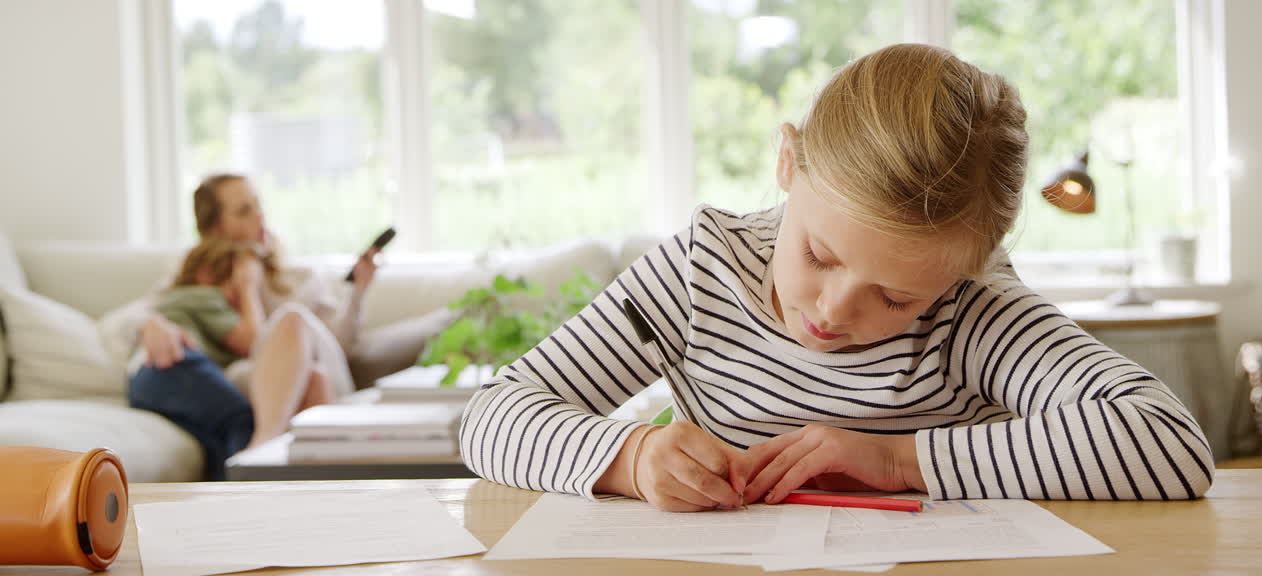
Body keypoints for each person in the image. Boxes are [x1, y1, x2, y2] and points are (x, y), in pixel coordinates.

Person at [459, 43, 1213, 511]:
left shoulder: (971, 310)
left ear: (967, 268)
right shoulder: (700, 273)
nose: (831, 309)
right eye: (819, 254)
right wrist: (630, 458)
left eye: (896, 296)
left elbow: (1168, 443)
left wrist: (897, 460)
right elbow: (492, 418)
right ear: (788, 163)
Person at [130, 173, 380, 478]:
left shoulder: (299, 278)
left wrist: (356, 295)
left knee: (294, 324)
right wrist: (153, 325)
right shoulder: (202, 275)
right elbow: (140, 314)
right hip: (279, 390)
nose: (259, 216)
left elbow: (340, 345)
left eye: (257, 205)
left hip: (324, 373)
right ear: (214, 227)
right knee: (304, 378)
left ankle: (262, 450)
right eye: (243, 211)